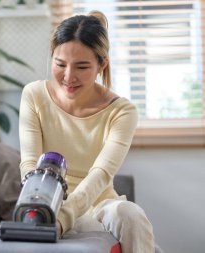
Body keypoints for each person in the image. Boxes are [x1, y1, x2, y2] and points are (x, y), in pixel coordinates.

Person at [18, 10, 155, 253]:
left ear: (102, 64)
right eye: (60, 64)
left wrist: (64, 218)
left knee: (130, 214)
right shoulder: (34, 95)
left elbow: (100, 175)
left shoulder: (122, 111)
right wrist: (41, 205)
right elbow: (30, 163)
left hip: (98, 206)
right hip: (48, 201)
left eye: (82, 66)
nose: (68, 77)